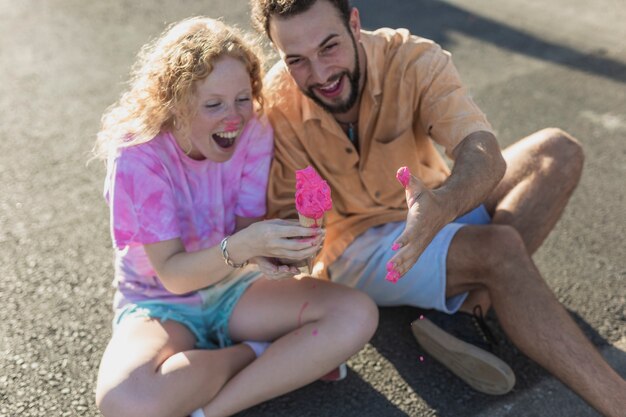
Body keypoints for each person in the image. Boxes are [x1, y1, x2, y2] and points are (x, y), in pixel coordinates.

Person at [249, 0, 626, 415]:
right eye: (296, 60)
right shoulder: (274, 103)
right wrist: (286, 243)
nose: (320, 75)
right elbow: (285, 215)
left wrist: (443, 204)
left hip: (432, 204)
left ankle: (467, 305)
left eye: (329, 47)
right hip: (357, 248)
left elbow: (481, 150)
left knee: (558, 151)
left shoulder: (412, 57)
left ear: (355, 24)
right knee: (499, 249)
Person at [92, 16, 378, 417]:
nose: (234, 118)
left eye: (242, 99)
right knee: (127, 404)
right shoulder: (138, 153)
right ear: (174, 104)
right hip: (159, 304)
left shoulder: (253, 128)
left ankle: (214, 409)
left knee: (356, 314)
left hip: (235, 289)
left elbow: (245, 230)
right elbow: (173, 276)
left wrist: (278, 251)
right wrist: (245, 247)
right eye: (213, 105)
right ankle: (258, 354)